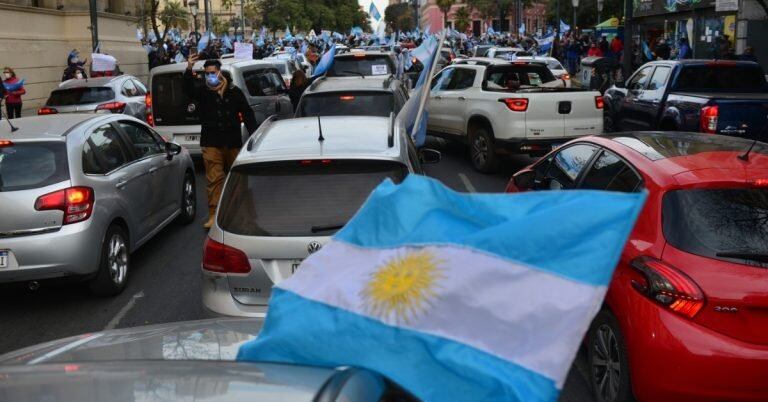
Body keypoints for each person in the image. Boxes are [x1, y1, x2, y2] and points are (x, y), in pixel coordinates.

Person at [183, 55, 258, 229]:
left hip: (232, 142)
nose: (210, 76)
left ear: (219, 73)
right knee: (214, 179)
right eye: (207, 73)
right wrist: (189, 68)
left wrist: (255, 134)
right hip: (211, 142)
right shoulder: (202, 92)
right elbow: (187, 89)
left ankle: (242, 214)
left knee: (238, 179)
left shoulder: (233, 91)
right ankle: (214, 215)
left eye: (213, 72)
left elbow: (247, 113)